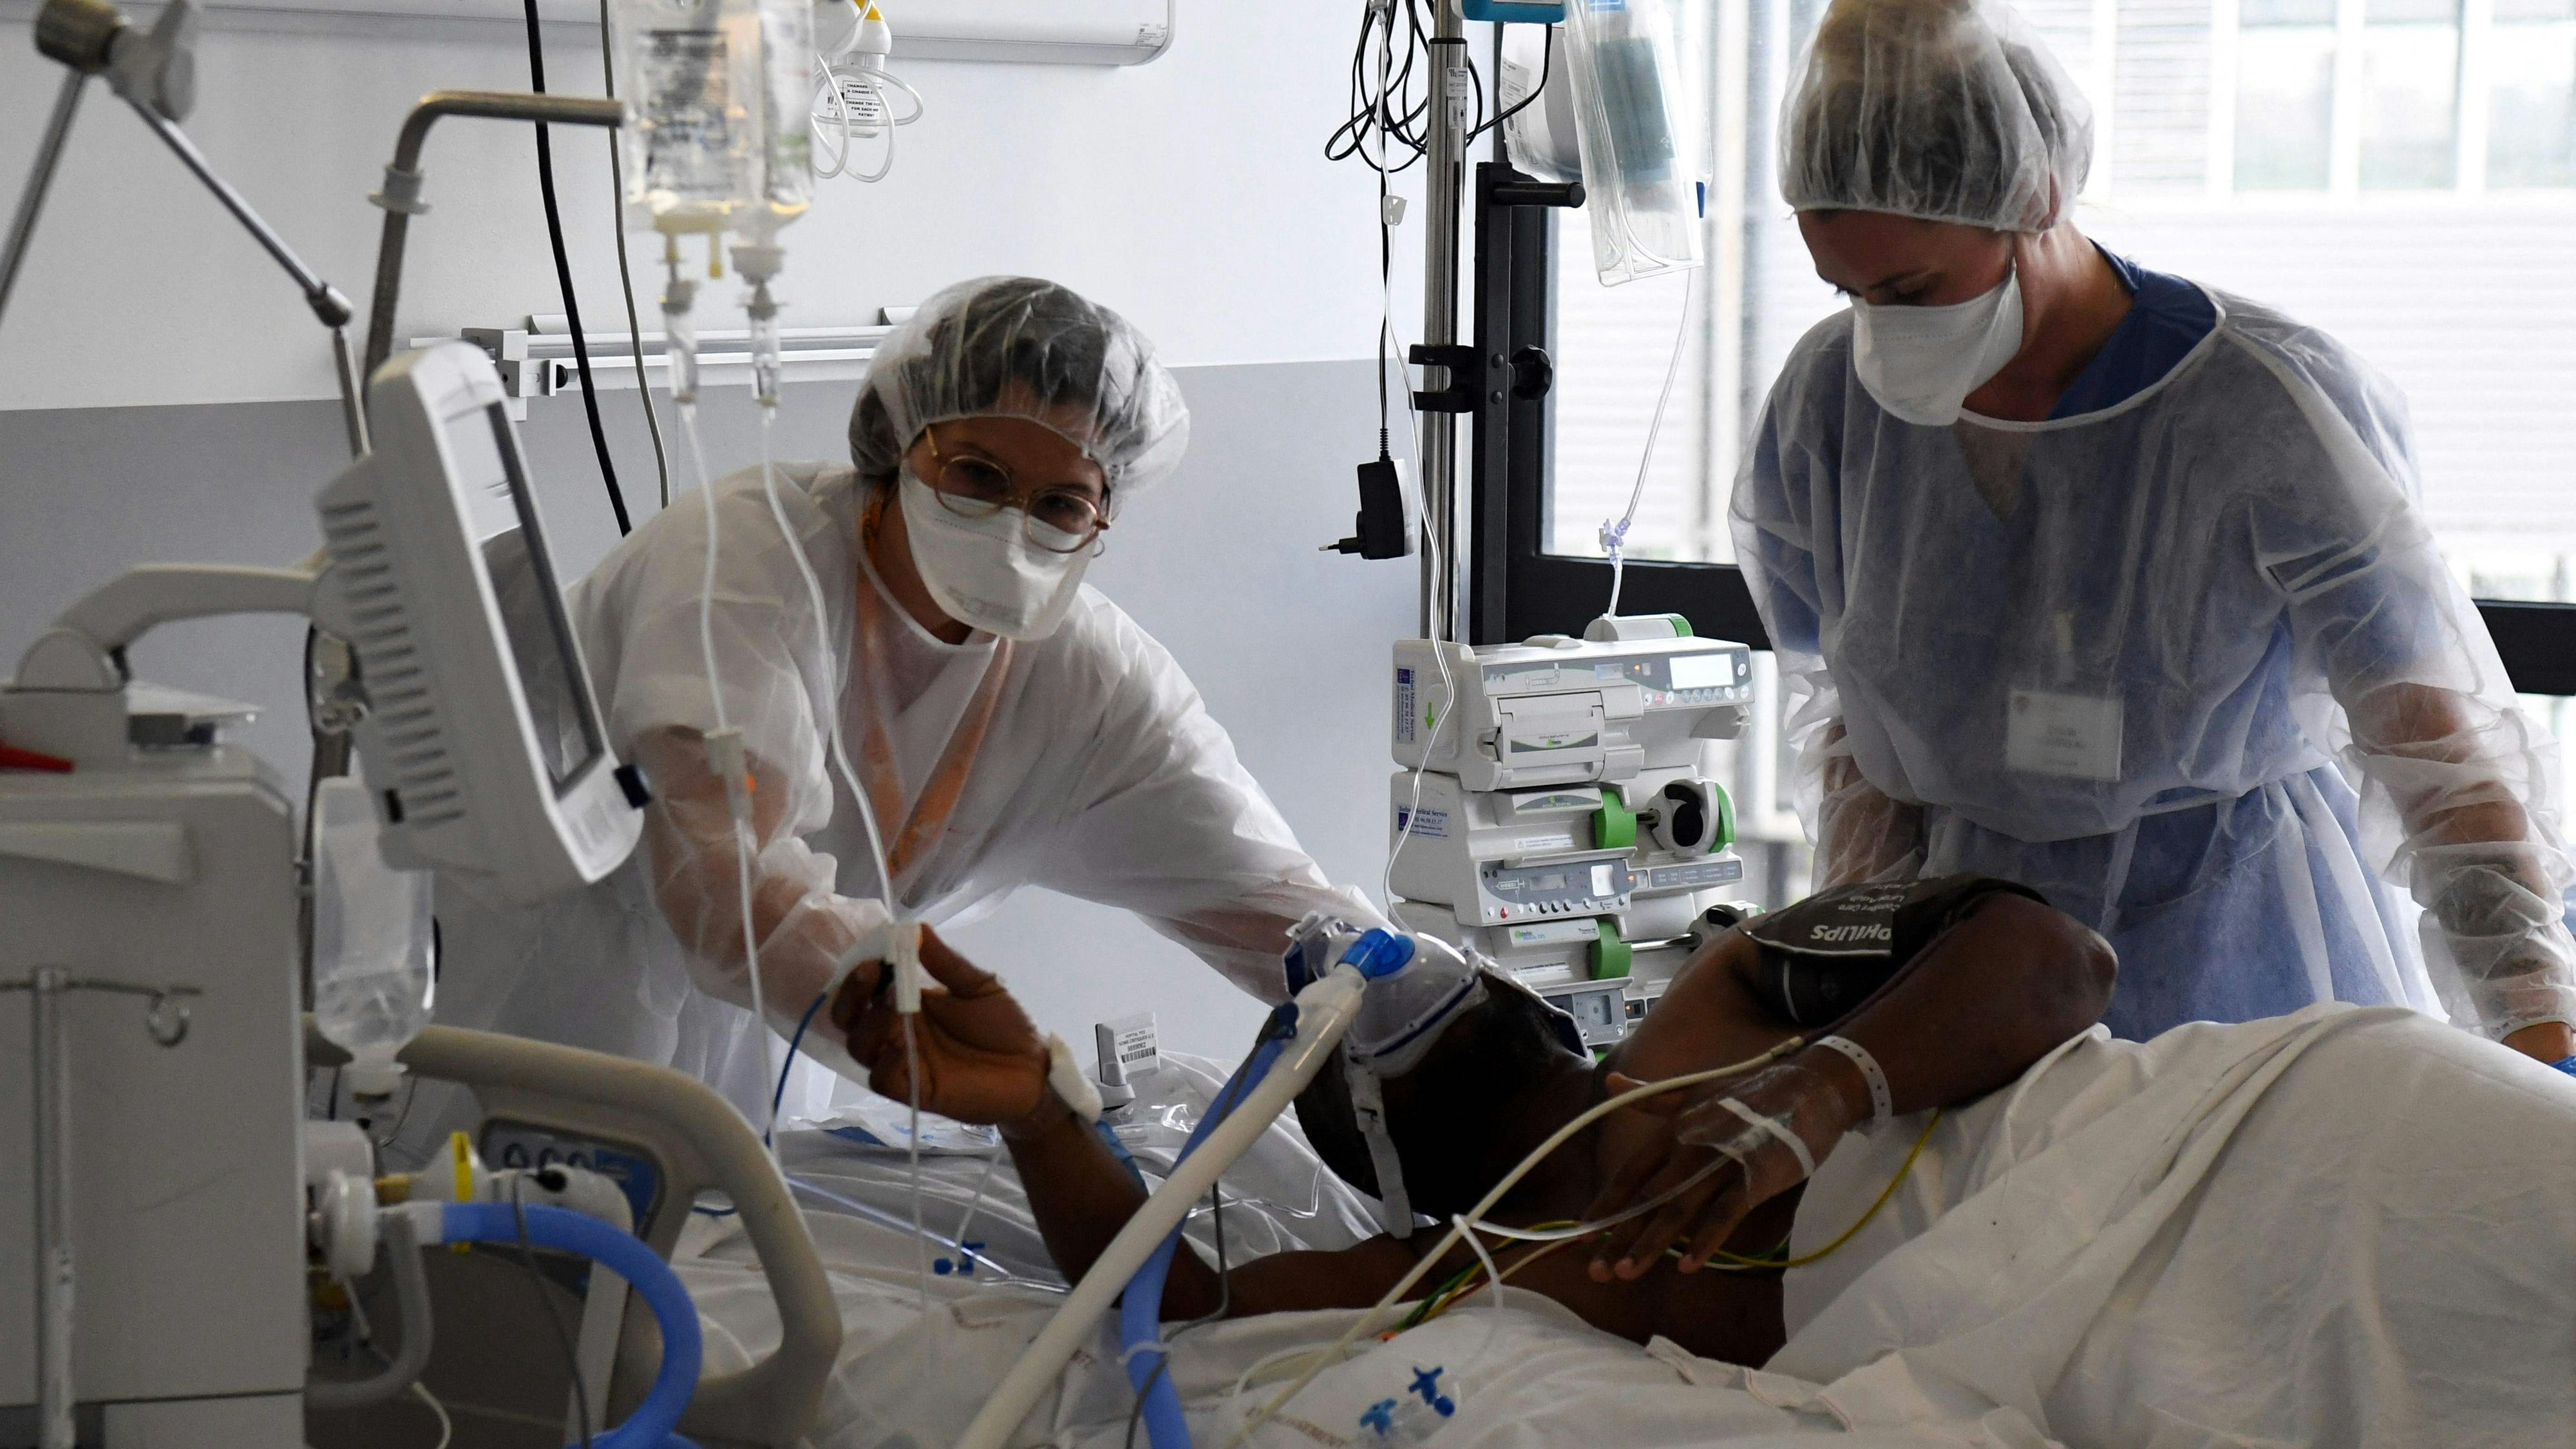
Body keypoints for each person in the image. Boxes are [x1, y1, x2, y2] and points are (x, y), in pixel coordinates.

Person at [1732, 0, 2576, 1061]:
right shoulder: (1831, 404)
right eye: (1847, 290)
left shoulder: (2261, 411)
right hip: (1964, 989)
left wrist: (2537, 1045)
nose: (1882, 331)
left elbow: (2436, 758)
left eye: (1911, 288)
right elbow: (1856, 741)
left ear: (2031, 194)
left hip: (2246, 982)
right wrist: (1854, 994)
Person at [419, 276, 1379, 1134]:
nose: (1014, 527)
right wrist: (973, 1050)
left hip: (785, 1044)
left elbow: (1280, 912)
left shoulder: (1086, 680)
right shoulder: (747, 562)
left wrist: (1435, 1007)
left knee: (727, 1273)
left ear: (1105, 514)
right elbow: (723, 889)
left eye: (1062, 504)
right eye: (976, 476)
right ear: (897, 446)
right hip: (558, 993)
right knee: (518, 1284)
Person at [822, 877, 2117, 1366]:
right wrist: (1037, 1110)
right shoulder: (1465, 1266)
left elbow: (2051, 953)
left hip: (2153, 1143)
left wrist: (1820, 1089)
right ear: (1382, 1170)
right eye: (1319, 1054)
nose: (1359, 978)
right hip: (2094, 1315)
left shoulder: (1726, 995)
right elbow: (1170, 1306)